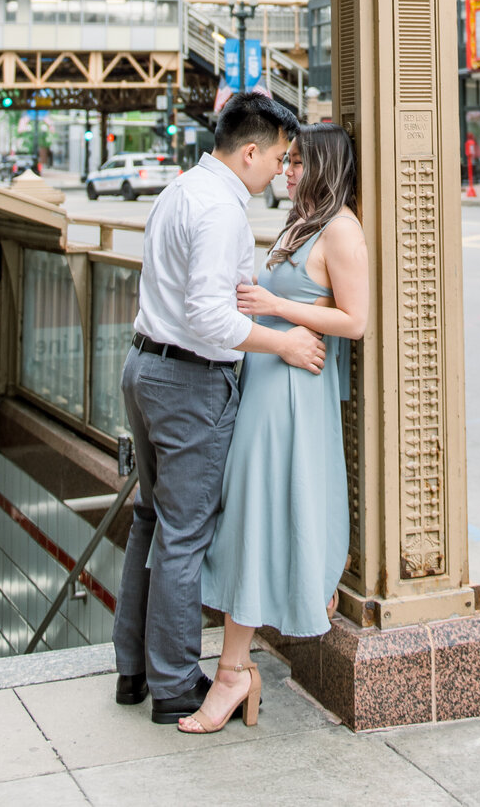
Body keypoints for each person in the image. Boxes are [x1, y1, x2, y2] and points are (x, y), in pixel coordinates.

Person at [111, 91, 325, 726]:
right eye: (280, 157)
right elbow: (209, 315)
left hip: (144, 367)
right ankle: (175, 684)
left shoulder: (181, 189)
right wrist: (281, 339)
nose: (280, 172)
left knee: (152, 520)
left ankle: (135, 669)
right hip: (187, 382)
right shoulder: (222, 209)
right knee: (183, 532)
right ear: (251, 150)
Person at [182, 123, 369, 734]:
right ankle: (239, 666)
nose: (285, 172)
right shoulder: (299, 225)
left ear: (323, 167)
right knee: (249, 516)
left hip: (296, 394)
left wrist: (278, 310)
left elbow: (355, 320)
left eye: (296, 163)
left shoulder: (340, 228)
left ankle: (235, 670)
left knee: (263, 515)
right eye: (285, 162)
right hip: (265, 385)